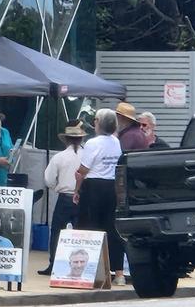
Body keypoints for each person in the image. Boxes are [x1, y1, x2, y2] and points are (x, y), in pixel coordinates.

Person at [73, 109, 126, 286]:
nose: (93, 123)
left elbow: (83, 170)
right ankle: (119, 272)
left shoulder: (92, 143)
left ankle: (90, 271)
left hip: (94, 186)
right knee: (112, 228)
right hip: (111, 187)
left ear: (99, 123)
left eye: (95, 120)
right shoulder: (116, 142)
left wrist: (76, 189)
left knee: (89, 227)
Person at [38, 120, 86, 276]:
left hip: (65, 197)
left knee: (57, 232)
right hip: (83, 197)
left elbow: (48, 179)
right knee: (81, 232)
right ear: (81, 138)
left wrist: (56, 187)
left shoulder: (59, 157)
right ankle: (84, 264)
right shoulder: (87, 155)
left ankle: (53, 264)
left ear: (66, 139)